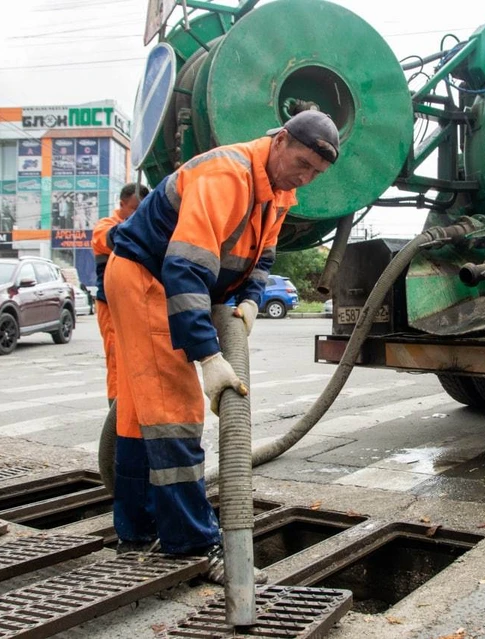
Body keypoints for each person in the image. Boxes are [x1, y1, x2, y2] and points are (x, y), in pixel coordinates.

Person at [105, 110, 338, 581]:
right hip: (146, 279)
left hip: (158, 279)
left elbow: (263, 254)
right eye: (301, 163)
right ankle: (190, 546)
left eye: (315, 172)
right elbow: (184, 269)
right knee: (174, 412)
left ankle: (138, 529)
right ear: (280, 141)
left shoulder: (279, 191)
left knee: (138, 413)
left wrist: (251, 300)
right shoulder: (226, 174)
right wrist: (209, 357)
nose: (305, 177)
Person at [92, 183, 149, 407]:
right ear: (122, 204)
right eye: (134, 209)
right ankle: (116, 411)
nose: (138, 214)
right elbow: (109, 239)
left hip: (137, 305)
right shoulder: (105, 227)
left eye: (142, 210)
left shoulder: (143, 229)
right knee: (117, 359)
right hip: (111, 304)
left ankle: (135, 408)